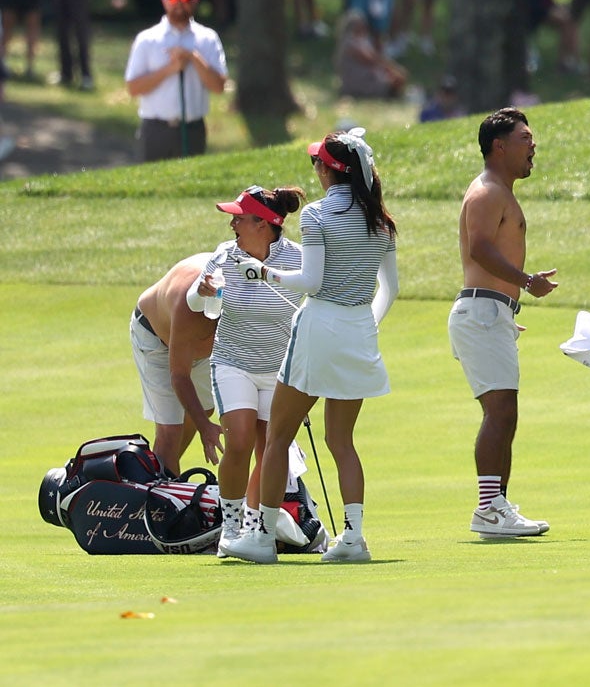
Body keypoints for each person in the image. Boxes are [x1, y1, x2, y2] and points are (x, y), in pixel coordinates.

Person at [223, 128, 399, 563]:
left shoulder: (318, 215)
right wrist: (362, 324)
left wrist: (260, 272)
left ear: (327, 170)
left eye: (316, 163)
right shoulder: (381, 220)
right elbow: (389, 288)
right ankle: (354, 538)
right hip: (360, 329)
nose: (315, 171)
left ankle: (262, 538)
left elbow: (311, 282)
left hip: (319, 326)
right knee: (342, 440)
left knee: (279, 435)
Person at [449, 108, 558, 539]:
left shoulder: (499, 191)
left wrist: (507, 307)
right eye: (524, 138)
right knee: (500, 413)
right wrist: (526, 282)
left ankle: (496, 506)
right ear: (500, 146)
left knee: (504, 413)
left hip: (491, 312)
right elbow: (479, 249)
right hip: (480, 311)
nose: (533, 146)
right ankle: (489, 509)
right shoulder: (487, 191)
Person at [186, 185, 307, 557]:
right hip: (232, 362)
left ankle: (256, 524)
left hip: (279, 370)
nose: (232, 223)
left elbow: (313, 297)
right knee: (238, 440)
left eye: (240, 217)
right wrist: (202, 290)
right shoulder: (224, 255)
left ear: (264, 224)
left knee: (271, 450)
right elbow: (194, 299)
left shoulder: (297, 258)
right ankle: (231, 526)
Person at [131, 253, 222, 474]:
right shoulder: (186, 305)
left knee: (203, 410)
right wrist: (204, 428)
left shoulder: (248, 299)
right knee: (170, 430)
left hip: (201, 350)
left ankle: (158, 476)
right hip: (155, 340)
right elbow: (179, 376)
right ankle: (163, 501)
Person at [123, 0, 228, 162]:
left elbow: (218, 86)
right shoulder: (147, 39)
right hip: (155, 129)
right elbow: (133, 87)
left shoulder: (207, 38)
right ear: (164, 2)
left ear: (196, 0)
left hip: (193, 128)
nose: (179, 3)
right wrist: (169, 69)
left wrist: (194, 57)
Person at [335, 8, 408, 98]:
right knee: (395, 79)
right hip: (358, 80)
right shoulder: (349, 43)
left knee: (397, 77)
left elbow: (374, 57)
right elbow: (370, 60)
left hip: (368, 76)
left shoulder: (361, 41)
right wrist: (392, 69)